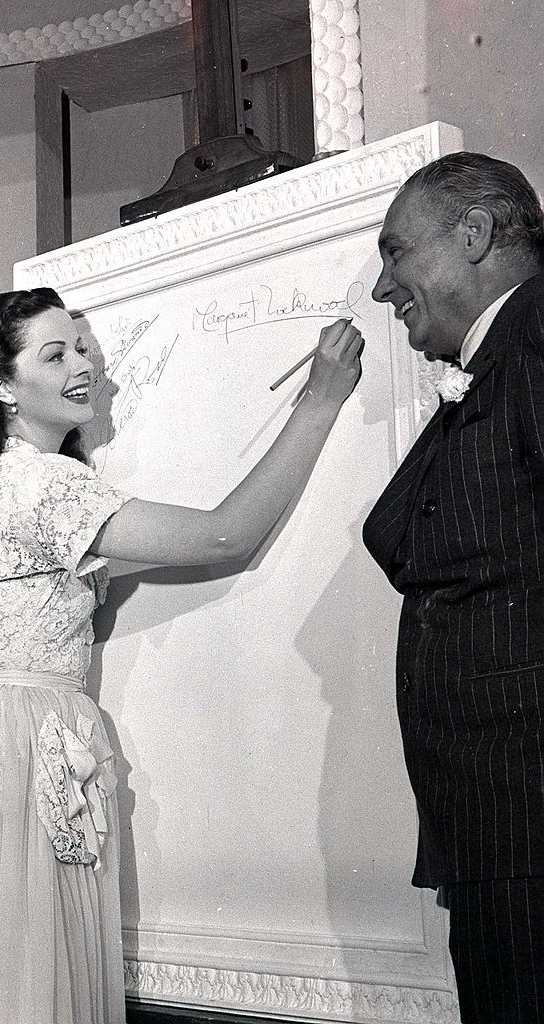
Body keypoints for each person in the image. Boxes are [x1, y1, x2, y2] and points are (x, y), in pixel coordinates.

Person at [0, 287, 362, 1024]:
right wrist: (318, 401)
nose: (82, 364)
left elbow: (131, 560)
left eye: (82, 347)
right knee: (20, 971)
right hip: (20, 742)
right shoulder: (45, 483)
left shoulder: (9, 483)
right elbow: (226, 536)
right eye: (54, 354)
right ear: (2, 387)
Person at [363, 152, 544, 1023]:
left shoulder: (540, 336)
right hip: (496, 819)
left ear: (474, 234)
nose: (381, 287)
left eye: (395, 253)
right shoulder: (495, 358)